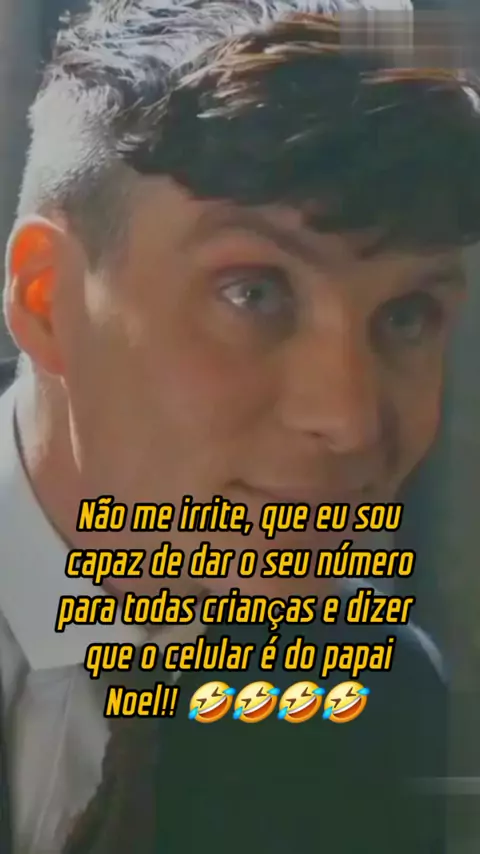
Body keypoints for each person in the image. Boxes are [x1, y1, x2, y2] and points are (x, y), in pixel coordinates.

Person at [1, 0, 479, 851]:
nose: (349, 420)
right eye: (253, 292)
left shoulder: (379, 702)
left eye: (406, 315)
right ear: (48, 301)